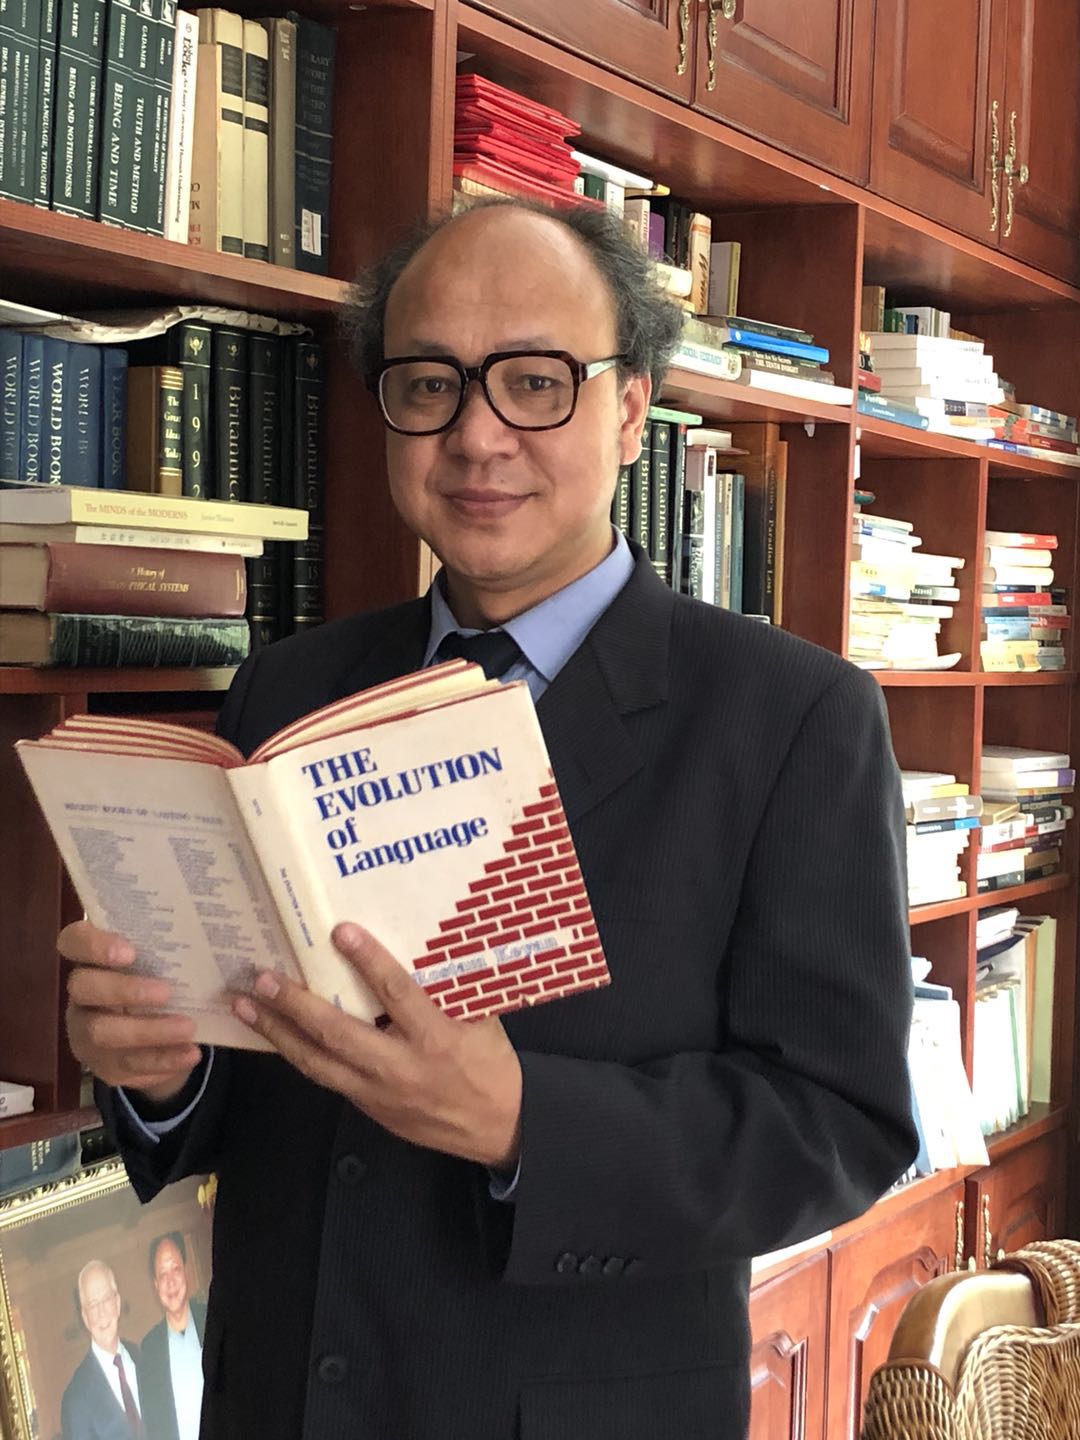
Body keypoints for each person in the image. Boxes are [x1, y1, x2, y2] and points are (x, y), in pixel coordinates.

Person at [60, 199, 918, 1440]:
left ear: (631, 411)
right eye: (430, 384)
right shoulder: (289, 689)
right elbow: (250, 1064)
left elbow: (839, 1127)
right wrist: (161, 1070)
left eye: (535, 382)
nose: (475, 434)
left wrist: (523, 1122)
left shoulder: (793, 716)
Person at [61, 1261, 144, 1440]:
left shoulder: (145, 1359)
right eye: (93, 1305)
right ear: (85, 1317)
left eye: (106, 1299)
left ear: (118, 1303)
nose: (101, 1313)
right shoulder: (75, 1398)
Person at [138, 1233, 206, 1440]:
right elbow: (153, 1425)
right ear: (156, 1285)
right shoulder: (149, 1351)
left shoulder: (212, 1322)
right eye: (162, 1274)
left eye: (175, 1269)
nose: (171, 1282)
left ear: (186, 1271)